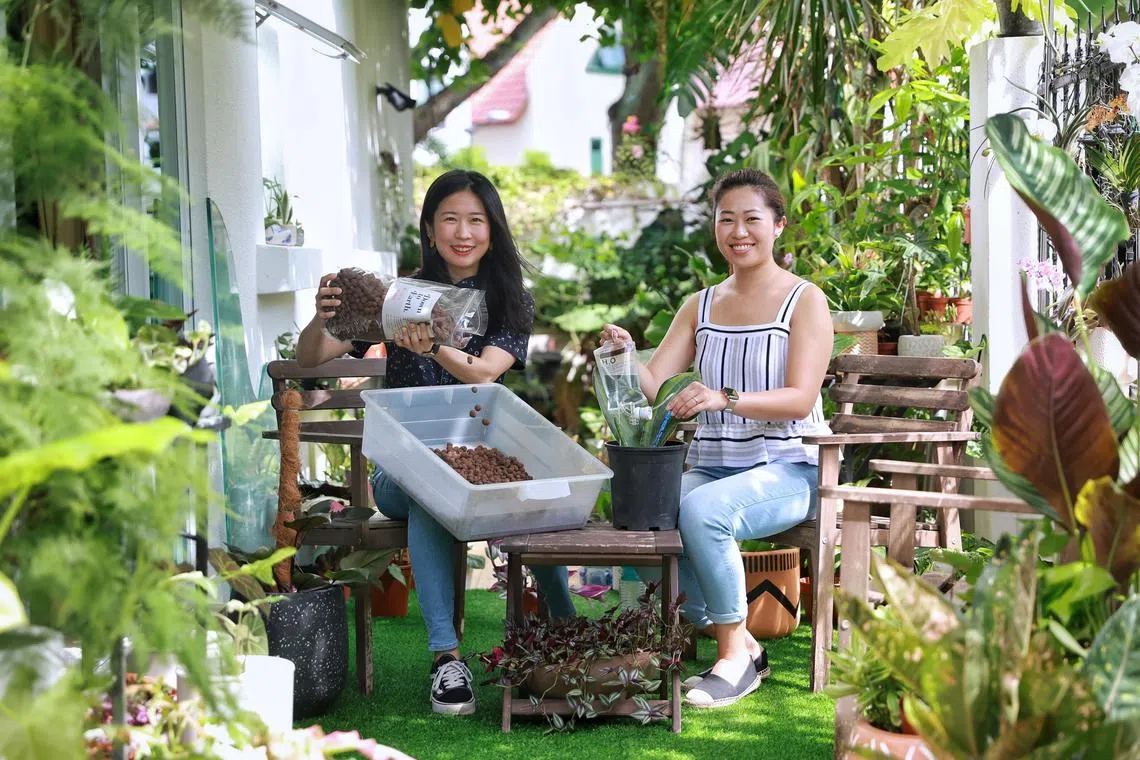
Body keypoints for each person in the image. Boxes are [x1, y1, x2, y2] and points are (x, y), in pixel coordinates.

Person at [297, 169, 576, 716]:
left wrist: (433, 346)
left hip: (480, 460)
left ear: (493, 230)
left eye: (476, 220)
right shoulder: (395, 296)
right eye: (450, 218)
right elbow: (310, 358)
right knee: (432, 492)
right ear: (429, 229)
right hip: (402, 470)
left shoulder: (510, 301)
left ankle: (567, 629)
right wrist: (322, 314)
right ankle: (446, 659)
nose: (463, 232)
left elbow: (484, 375)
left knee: (541, 495)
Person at [600, 168, 832, 709]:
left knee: (703, 511)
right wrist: (626, 354)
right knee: (645, 514)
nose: (739, 230)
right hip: (717, 465)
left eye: (752, 218)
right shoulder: (699, 305)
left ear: (778, 226)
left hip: (790, 466)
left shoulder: (804, 301)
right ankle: (745, 642)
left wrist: (723, 397)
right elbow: (658, 386)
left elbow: (800, 398)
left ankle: (732, 659)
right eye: (726, 219)